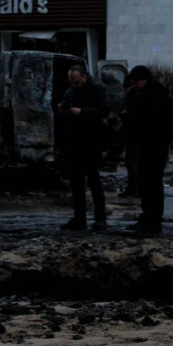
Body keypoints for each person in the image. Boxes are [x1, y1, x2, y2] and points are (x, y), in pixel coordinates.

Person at [58, 65, 109, 231]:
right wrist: (63, 110)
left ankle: (100, 218)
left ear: (84, 78)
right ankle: (80, 218)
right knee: (76, 182)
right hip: (73, 141)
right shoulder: (70, 92)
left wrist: (82, 112)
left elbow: (104, 110)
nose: (74, 85)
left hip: (90, 141)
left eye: (76, 82)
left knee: (93, 180)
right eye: (72, 82)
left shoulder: (96, 89)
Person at [124, 64, 170, 233]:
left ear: (142, 80)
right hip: (151, 145)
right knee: (148, 183)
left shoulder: (152, 94)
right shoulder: (152, 92)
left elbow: (144, 119)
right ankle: (149, 218)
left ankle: (152, 220)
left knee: (151, 184)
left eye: (135, 82)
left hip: (154, 145)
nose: (134, 85)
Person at [117, 78, 139, 198]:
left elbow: (130, 114)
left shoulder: (132, 95)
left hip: (134, 134)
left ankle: (133, 188)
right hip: (137, 134)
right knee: (134, 162)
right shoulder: (138, 94)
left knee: (132, 162)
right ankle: (136, 188)